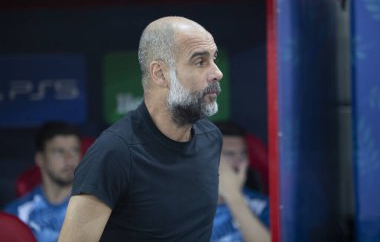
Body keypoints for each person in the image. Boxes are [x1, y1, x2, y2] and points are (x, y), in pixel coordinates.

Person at [58, 16, 224, 242]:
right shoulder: (115, 152)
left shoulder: (211, 138)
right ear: (159, 73)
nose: (217, 72)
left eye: (213, 59)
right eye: (200, 62)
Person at [4, 121, 82, 242]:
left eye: (74, 151)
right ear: (40, 159)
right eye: (59, 151)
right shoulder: (17, 213)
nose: (69, 159)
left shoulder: (93, 209)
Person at [211, 121, 270, 242]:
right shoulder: (184, 207)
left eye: (243, 154)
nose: (239, 164)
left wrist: (233, 195)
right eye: (229, 154)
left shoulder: (261, 205)